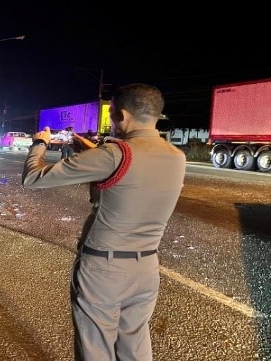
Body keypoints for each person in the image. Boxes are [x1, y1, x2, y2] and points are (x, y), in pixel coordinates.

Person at [22, 83, 186, 360]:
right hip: (146, 268)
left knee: (95, 347)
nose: (112, 123)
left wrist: (40, 143)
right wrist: (93, 150)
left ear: (122, 115)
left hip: (104, 269)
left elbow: (33, 178)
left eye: (112, 116)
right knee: (135, 344)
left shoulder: (113, 154)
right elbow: (129, 179)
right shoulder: (176, 157)